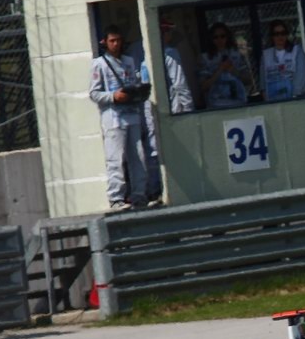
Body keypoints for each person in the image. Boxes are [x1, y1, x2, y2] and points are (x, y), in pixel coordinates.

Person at [129, 20, 195, 205]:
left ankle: (153, 189)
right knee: (170, 148)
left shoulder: (137, 50)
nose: (169, 36)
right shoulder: (169, 53)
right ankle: (164, 189)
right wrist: (189, 110)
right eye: (167, 32)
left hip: (145, 106)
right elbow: (180, 84)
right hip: (168, 107)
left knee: (151, 146)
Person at [88, 24, 147, 212]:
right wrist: (113, 96)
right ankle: (116, 198)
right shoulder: (99, 64)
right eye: (112, 41)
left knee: (138, 157)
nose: (116, 44)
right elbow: (94, 93)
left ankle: (139, 195)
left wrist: (138, 92)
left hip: (132, 116)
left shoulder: (129, 61)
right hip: (113, 118)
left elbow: (136, 83)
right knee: (115, 158)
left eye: (119, 40)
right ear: (105, 42)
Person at [199, 22, 253, 110]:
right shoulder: (205, 58)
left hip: (238, 103)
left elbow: (249, 80)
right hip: (216, 106)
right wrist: (219, 70)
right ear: (211, 39)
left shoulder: (237, 55)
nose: (219, 40)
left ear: (227, 37)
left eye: (222, 36)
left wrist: (233, 70)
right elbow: (203, 87)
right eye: (215, 37)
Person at [260, 21, 305, 101]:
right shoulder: (266, 55)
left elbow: (302, 77)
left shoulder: (296, 51)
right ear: (272, 36)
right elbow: (263, 82)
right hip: (273, 100)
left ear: (287, 35)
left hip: (294, 99)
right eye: (276, 34)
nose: (280, 36)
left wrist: (294, 96)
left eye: (283, 33)